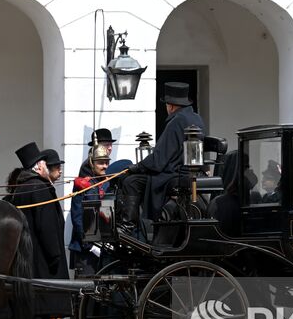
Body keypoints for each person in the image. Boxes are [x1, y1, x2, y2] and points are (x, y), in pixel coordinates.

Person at [8, 143, 70, 319]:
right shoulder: (40, 188)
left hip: (27, 254)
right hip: (41, 255)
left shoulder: (22, 187)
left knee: (34, 302)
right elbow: (47, 226)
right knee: (40, 303)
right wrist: (54, 254)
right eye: (44, 164)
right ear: (37, 167)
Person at [119, 82, 206, 233]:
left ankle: (129, 225)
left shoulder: (176, 121)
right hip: (188, 171)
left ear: (171, 106)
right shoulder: (196, 118)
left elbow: (159, 159)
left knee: (131, 182)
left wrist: (136, 167)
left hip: (176, 174)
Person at [69, 144, 111, 276]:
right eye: (101, 163)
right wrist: (90, 246)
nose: (105, 166)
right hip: (85, 249)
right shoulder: (82, 184)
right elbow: (77, 218)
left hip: (103, 245)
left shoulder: (106, 183)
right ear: (92, 163)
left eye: (106, 162)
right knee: (85, 289)